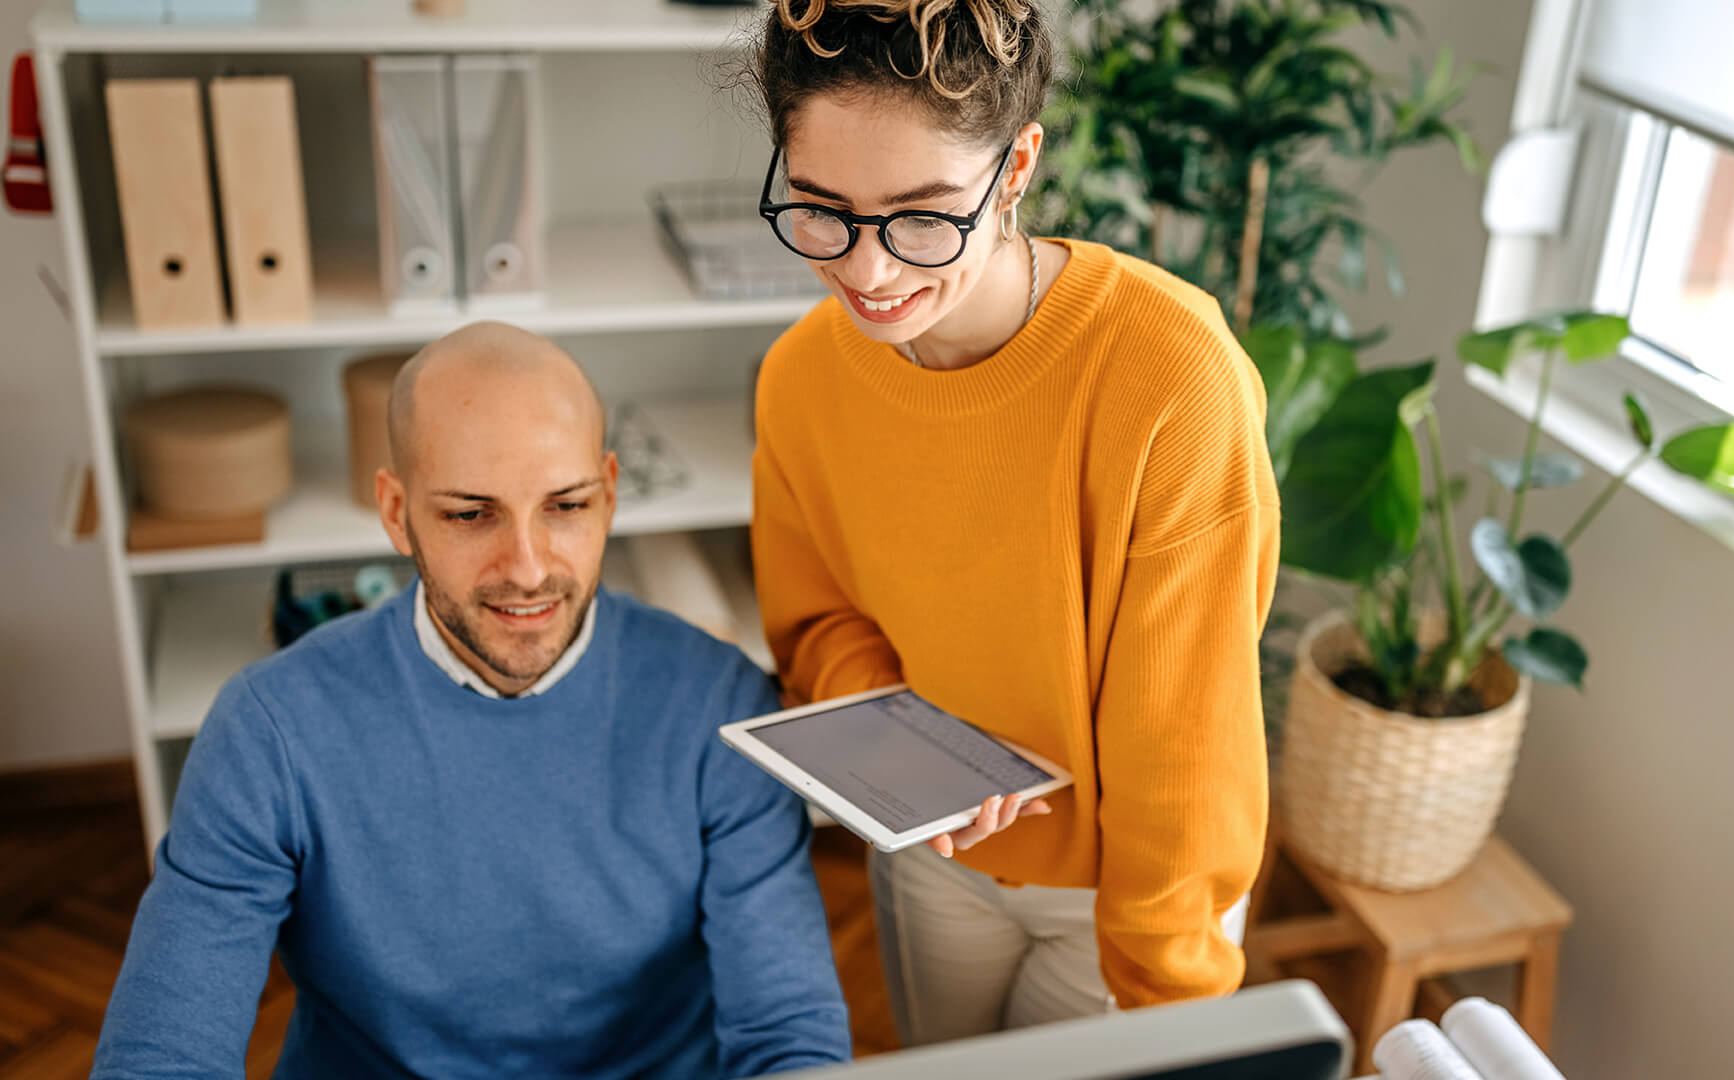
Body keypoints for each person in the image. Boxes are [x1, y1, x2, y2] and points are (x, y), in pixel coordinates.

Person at [91, 322, 852, 1080]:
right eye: (469, 513)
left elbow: (789, 1036)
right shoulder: (269, 732)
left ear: (610, 495)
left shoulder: (721, 704)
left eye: (566, 506)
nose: (526, 569)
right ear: (397, 513)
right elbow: (163, 1053)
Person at [746, 0, 1281, 1047]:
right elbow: (818, 629)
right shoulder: (804, 378)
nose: (869, 270)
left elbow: (1188, 745)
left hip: (1129, 898)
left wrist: (1172, 1018)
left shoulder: (1172, 376)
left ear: (1019, 167)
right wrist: (912, 762)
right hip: (932, 856)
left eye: (922, 214)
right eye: (822, 209)